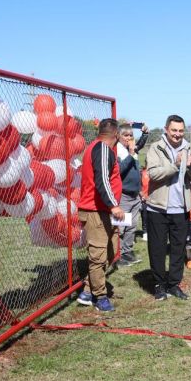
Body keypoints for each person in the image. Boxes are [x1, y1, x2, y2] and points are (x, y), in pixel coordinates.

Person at [145, 114, 191, 301]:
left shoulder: (190, 148)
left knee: (178, 249)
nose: (177, 135)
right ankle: (159, 285)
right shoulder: (155, 148)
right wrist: (176, 164)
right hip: (158, 208)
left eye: (180, 131)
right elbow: (154, 174)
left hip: (181, 208)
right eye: (174, 130)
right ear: (166, 129)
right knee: (157, 248)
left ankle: (174, 284)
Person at [76, 118, 124, 312]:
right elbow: (102, 179)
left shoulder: (102, 149)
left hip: (104, 211)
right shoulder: (103, 149)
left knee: (110, 251)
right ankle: (100, 297)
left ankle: (88, 290)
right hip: (96, 211)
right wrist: (113, 205)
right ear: (116, 135)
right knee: (98, 256)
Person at [114, 122, 148, 267]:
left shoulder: (131, 149)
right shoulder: (118, 151)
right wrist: (131, 155)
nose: (129, 138)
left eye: (131, 135)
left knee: (132, 226)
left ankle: (127, 252)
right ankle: (117, 255)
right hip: (124, 195)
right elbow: (119, 171)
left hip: (135, 195)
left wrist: (145, 134)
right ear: (118, 136)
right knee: (120, 227)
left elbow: (140, 144)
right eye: (125, 135)